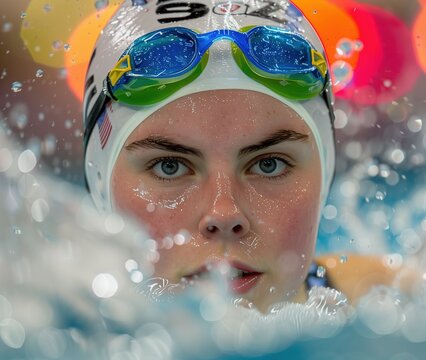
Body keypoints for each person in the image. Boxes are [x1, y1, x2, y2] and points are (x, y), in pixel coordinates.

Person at [82, 0, 396, 312]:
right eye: (170, 166)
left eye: (268, 164)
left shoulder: (385, 300)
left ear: (323, 175)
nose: (223, 213)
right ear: (100, 184)